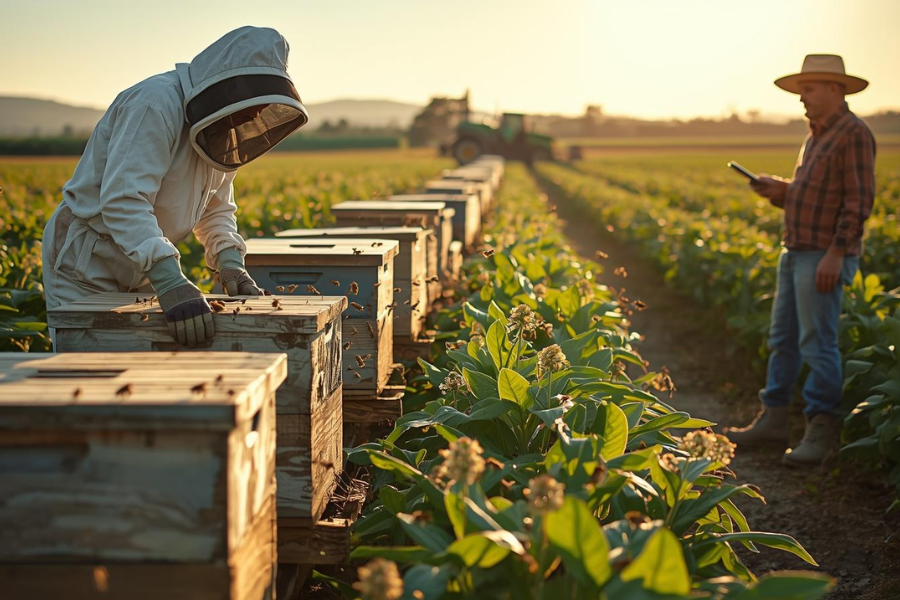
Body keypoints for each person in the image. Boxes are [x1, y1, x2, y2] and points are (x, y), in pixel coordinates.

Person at [41, 26, 309, 347]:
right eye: (252, 97)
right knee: (88, 369)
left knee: (141, 372)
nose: (257, 112)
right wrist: (169, 279)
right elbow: (124, 201)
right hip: (87, 263)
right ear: (226, 84)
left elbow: (216, 208)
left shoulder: (219, 127)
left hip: (141, 268)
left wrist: (230, 263)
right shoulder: (153, 105)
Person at [726, 55, 876, 465]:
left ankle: (820, 430)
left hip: (822, 256)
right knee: (783, 340)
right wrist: (781, 190)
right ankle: (773, 420)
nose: (802, 99)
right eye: (800, 91)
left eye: (808, 90)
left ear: (835, 89)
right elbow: (814, 194)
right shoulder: (815, 137)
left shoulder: (853, 134)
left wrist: (836, 253)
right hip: (795, 250)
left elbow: (858, 201)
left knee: (817, 343)